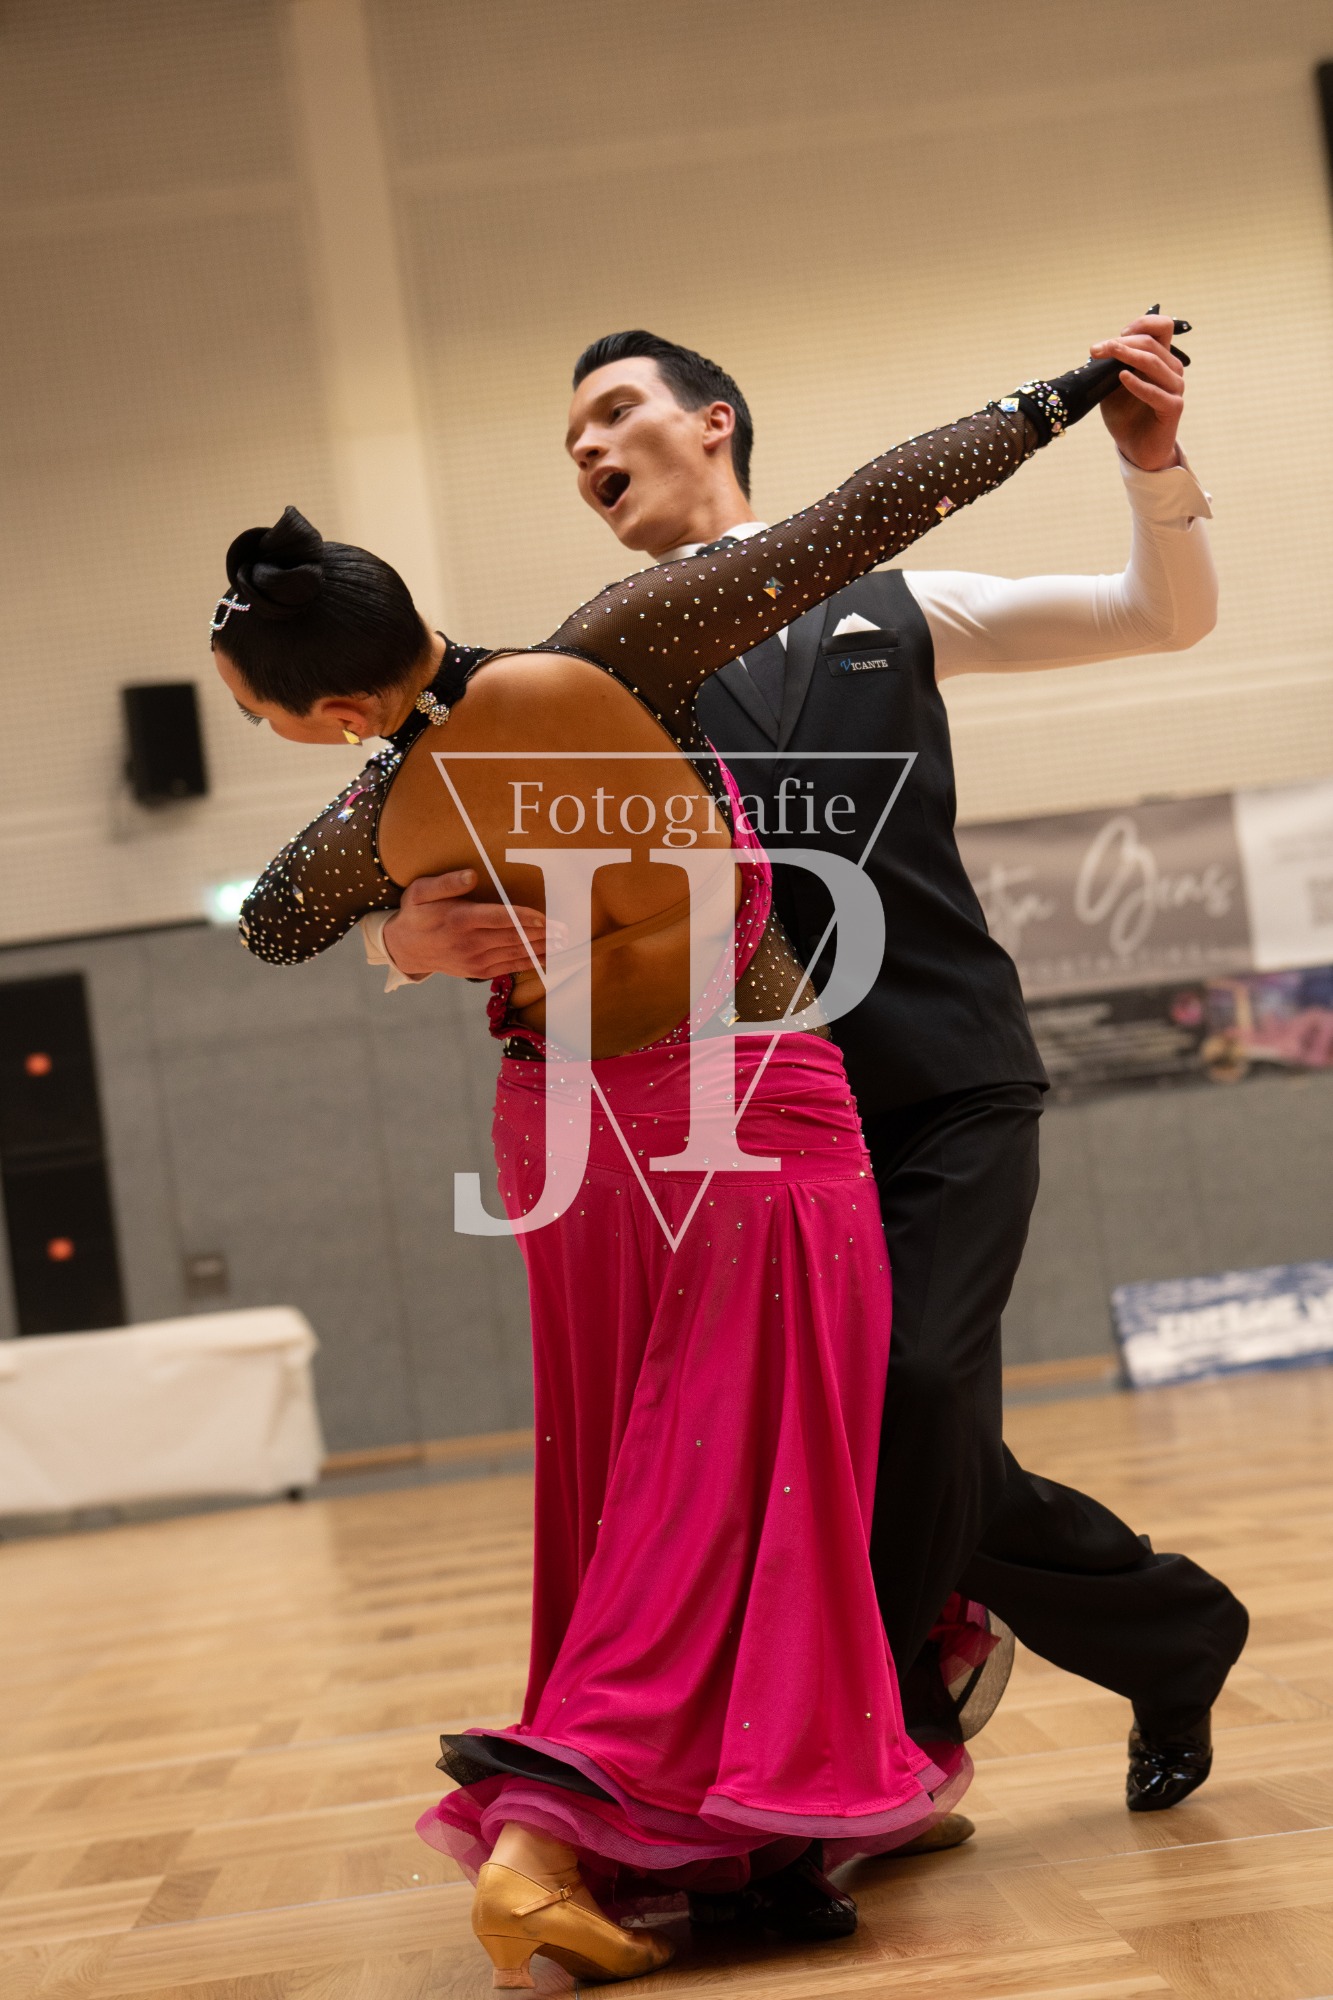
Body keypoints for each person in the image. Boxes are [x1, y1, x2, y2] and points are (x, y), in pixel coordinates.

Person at [221, 347, 1124, 1988]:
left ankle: (804, 1796)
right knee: (746, 1483)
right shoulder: (610, 651)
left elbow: (274, 918)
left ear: (337, 709)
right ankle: (583, 1825)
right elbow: (863, 515)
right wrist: (1060, 396)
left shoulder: (380, 806)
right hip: (744, 1100)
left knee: (636, 1478)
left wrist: (408, 936)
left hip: (561, 1136)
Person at [367, 313, 1249, 1852]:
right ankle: (1144, 1643)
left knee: (910, 1397)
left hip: (951, 1079)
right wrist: (402, 940)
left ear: (712, 420)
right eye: (567, 437)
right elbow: (420, 855)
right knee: (870, 1439)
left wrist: (1152, 467)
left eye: (613, 409)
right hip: (761, 1123)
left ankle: (875, 1744)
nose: (585, 446)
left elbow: (1153, 617)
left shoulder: (890, 597)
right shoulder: (582, 673)